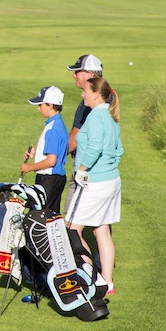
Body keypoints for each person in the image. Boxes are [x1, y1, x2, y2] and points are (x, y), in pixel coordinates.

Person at [67, 75, 123, 297]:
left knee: (72, 229)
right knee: (101, 230)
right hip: (111, 180)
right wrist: (109, 167)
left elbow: (95, 147)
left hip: (94, 182)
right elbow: (119, 150)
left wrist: (82, 169)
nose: (83, 94)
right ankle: (107, 283)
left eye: (86, 91)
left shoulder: (96, 117)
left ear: (96, 94)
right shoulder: (111, 117)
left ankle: (89, 277)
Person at [20, 85, 67, 213]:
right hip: (54, 179)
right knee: (50, 218)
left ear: (50, 105)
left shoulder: (53, 128)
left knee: (37, 218)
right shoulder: (58, 124)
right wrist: (37, 155)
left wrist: (29, 167)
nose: (38, 108)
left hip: (48, 180)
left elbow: (51, 161)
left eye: (41, 105)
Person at [66, 54, 116, 158]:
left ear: (89, 74)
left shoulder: (94, 101)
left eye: (77, 72)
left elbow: (74, 139)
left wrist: (51, 157)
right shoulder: (100, 96)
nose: (74, 75)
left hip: (88, 166)